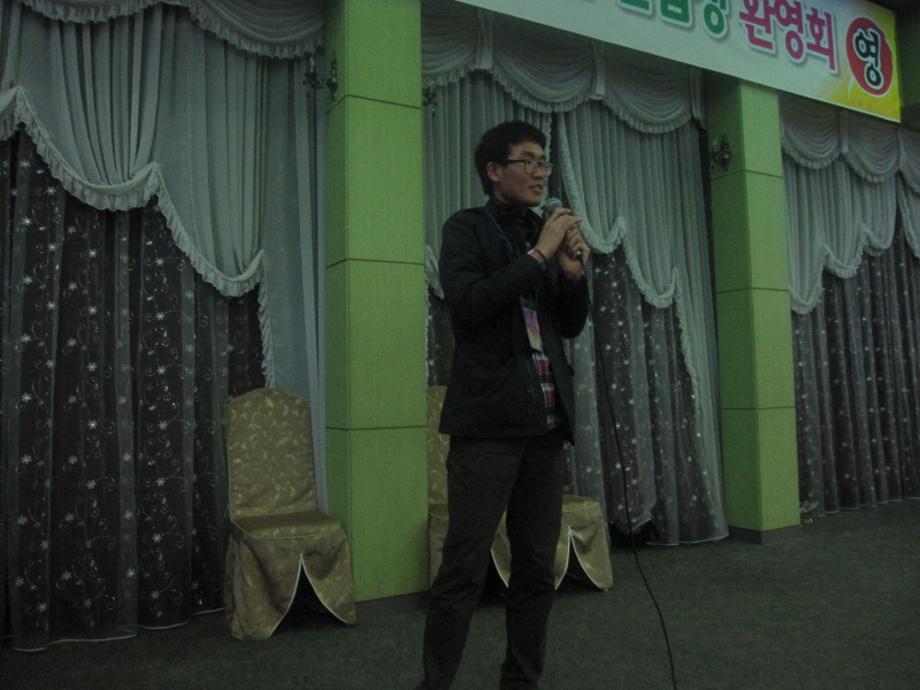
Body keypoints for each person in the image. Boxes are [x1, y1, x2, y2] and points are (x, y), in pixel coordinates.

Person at [421, 121, 591, 689]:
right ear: (495, 171)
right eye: (528, 161)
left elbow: (568, 325)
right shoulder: (467, 229)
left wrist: (572, 276)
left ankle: (521, 681)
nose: (541, 172)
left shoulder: (544, 234)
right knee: (463, 568)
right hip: (488, 428)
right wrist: (540, 255)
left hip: (545, 426)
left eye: (544, 162)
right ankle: (435, 684)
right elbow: (469, 303)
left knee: (537, 569)